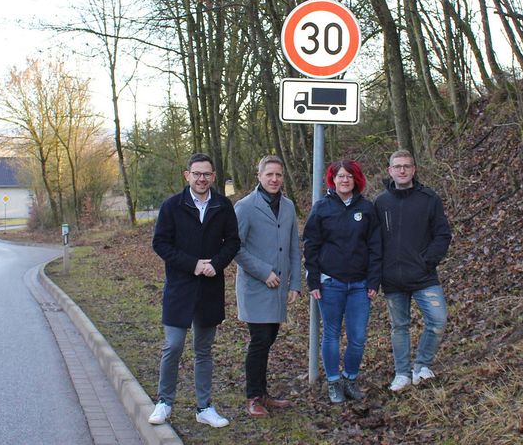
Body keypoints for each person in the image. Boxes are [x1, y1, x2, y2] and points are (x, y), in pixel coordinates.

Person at [148, 152, 240, 428]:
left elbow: (233, 242)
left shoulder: (223, 206)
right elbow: (160, 243)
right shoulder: (172, 206)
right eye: (197, 173)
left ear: (213, 176)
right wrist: (192, 265)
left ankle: (204, 407)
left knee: (204, 350)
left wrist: (216, 264)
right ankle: (164, 402)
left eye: (206, 174)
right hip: (179, 288)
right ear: (187, 175)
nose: (202, 178)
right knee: (173, 346)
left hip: (210, 288)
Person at [303, 159, 382, 403]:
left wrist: (373, 281)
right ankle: (333, 382)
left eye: (349, 176)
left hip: (360, 285)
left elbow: (375, 247)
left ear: (356, 179)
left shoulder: (367, 208)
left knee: (357, 337)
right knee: (331, 334)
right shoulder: (321, 208)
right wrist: (314, 281)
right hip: (330, 284)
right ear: (333, 180)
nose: (344, 180)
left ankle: (350, 379)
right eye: (340, 176)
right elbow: (311, 246)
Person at [374, 150, 452, 392]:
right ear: (390, 171)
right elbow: (373, 241)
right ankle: (402, 374)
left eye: (407, 166)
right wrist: (377, 271)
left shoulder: (429, 199)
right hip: (392, 278)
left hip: (423, 276)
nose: (402, 170)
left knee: (438, 320)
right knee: (399, 327)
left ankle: (422, 366)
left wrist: (427, 261)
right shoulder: (381, 203)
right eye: (397, 166)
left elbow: (443, 234)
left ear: (414, 170)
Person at [234, 155, 301, 418]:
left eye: (278, 175)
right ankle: (253, 397)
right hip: (255, 286)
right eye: (269, 174)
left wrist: (295, 283)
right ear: (259, 176)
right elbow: (235, 247)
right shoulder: (245, 207)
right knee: (260, 340)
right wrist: (264, 272)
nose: (274, 179)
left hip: (279, 288)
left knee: (269, 339)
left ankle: (263, 394)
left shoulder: (288, 206)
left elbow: (294, 247)